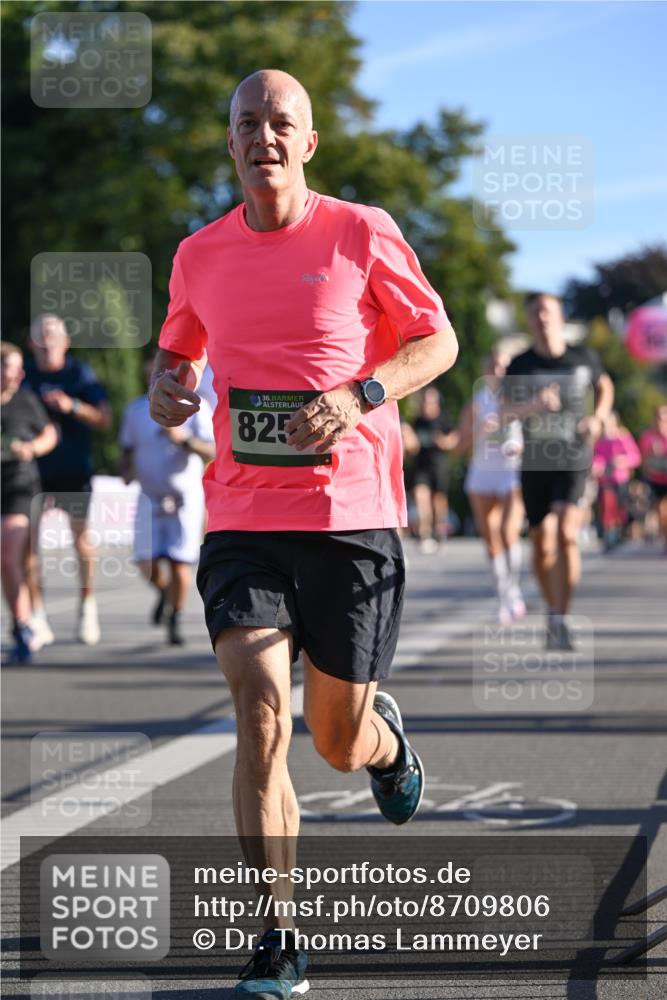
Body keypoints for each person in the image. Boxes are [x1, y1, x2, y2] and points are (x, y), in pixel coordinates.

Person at [149, 69, 458, 998]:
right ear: (231, 141)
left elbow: (435, 341)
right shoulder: (198, 253)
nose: (264, 138)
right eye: (248, 123)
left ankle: (384, 745)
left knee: (333, 739)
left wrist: (358, 394)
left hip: (352, 521)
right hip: (243, 518)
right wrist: (165, 388)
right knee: (258, 718)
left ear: (307, 142)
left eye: (281, 123)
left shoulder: (361, 231)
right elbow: (176, 359)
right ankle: (277, 935)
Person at [502, 292, 614, 650]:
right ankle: (552, 610)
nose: (541, 318)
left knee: (566, 532)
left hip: (574, 458)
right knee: (541, 541)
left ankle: (562, 617)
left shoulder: (583, 357)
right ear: (529, 320)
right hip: (535, 462)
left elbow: (605, 385)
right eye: (534, 313)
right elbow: (503, 413)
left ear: (560, 315)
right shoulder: (521, 364)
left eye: (546, 311)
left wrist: (597, 417)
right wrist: (534, 404)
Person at [22, 314, 112, 646]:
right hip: (32, 471)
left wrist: (72, 405)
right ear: (32, 343)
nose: (46, 342)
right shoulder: (23, 375)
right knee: (27, 545)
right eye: (40, 335)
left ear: (65, 341)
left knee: (82, 542)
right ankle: (37, 616)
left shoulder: (79, 374)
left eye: (52, 335)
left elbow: (104, 418)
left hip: (73, 470)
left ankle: (87, 606)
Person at [120, 355, 215, 645]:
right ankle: (163, 593)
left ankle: (175, 616)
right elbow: (127, 447)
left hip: (184, 496)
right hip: (150, 495)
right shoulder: (136, 410)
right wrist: (125, 470)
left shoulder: (196, 408)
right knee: (145, 561)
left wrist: (183, 439)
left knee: (178, 562)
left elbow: (211, 451)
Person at [457, 349, 525, 623]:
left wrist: (519, 448)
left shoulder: (520, 401)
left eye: (502, 366)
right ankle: (504, 599)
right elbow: (460, 446)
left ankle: (514, 591)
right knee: (491, 540)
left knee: (509, 534)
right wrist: (479, 432)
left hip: (511, 473)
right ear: (486, 371)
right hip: (482, 474)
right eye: (493, 366)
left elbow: (535, 437)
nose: (498, 371)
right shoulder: (476, 403)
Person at [1, 342, 57, 663]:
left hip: (19, 489)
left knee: (10, 554)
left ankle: (22, 625)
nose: (20, 373)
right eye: (12, 367)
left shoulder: (26, 401)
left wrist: (33, 448)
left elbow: (50, 434)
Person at [411, 385, 458, 552]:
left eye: (430, 401)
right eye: (424, 400)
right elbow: (412, 440)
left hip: (438, 465)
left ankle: (439, 531)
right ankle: (425, 534)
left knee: (438, 501)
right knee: (420, 496)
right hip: (421, 465)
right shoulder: (418, 421)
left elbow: (454, 438)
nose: (426, 404)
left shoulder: (443, 419)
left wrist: (444, 442)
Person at [591, 411, 641, 550]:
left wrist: (623, 460)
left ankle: (619, 532)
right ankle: (608, 534)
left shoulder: (623, 437)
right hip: (605, 479)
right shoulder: (599, 440)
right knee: (606, 506)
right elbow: (597, 458)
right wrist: (597, 466)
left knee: (620, 506)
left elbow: (635, 457)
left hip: (620, 479)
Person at [639, 403, 667, 553]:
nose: (661, 420)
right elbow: (642, 460)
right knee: (661, 510)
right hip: (655, 479)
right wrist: (651, 453)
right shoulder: (648, 436)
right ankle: (665, 538)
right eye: (658, 417)